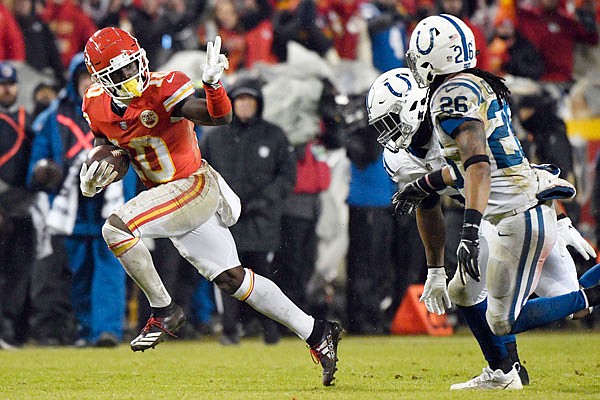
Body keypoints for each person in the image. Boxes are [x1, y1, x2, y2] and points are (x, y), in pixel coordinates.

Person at [80, 27, 341, 386]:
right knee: (233, 279)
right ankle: (317, 332)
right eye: (119, 72)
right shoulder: (94, 102)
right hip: (168, 197)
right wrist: (99, 169)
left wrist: (214, 87)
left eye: (132, 65)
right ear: (102, 79)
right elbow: (115, 147)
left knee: (116, 229)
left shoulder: (164, 85)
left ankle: (164, 310)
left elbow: (218, 118)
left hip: (191, 186)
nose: (130, 75)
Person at [367, 66, 599, 389]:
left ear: (413, 104)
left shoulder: (453, 114)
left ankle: (512, 363)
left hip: (514, 210)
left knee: (566, 304)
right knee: (465, 289)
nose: (389, 136)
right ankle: (506, 369)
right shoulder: (402, 157)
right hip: (488, 216)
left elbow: (509, 168)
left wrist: (562, 221)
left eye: (391, 122)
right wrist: (434, 270)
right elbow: (428, 204)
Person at [28, 53, 136, 348]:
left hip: (111, 202)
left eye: (95, 77)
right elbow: (40, 155)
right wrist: (42, 170)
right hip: (72, 207)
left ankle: (107, 330)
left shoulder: (121, 110)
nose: (90, 83)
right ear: (75, 82)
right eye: (84, 78)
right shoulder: (54, 116)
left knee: (110, 267)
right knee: (79, 271)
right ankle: (84, 330)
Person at [200, 77, 296, 345]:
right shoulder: (215, 137)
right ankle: (230, 330)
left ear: (258, 104)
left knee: (263, 276)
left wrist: (266, 200)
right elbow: (201, 172)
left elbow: (287, 175)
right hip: (224, 221)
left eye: (249, 100)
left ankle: (270, 330)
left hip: (261, 221)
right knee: (227, 276)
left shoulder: (274, 135)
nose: (244, 105)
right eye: (239, 100)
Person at [0, 62, 36, 348]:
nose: (7, 89)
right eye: (2, 84)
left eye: (11, 84)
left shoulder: (28, 118)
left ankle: (13, 327)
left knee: (20, 272)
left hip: (22, 205)